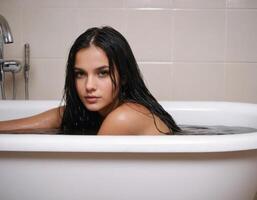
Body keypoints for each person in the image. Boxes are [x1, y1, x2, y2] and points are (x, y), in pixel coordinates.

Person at [0, 26, 181, 135]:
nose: (89, 86)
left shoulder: (123, 117)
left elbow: (86, 173)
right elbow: (15, 126)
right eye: (80, 74)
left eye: (102, 73)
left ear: (124, 76)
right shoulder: (89, 112)